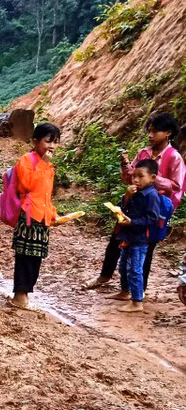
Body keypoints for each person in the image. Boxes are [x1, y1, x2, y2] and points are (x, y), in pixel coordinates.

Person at [85, 112, 185, 291]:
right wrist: (126, 167)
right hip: (133, 204)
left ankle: (140, 290)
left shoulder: (174, 157)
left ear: (168, 133)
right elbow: (130, 179)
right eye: (149, 131)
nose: (150, 135)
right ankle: (105, 276)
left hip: (153, 209)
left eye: (155, 131)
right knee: (116, 239)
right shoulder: (144, 153)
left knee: (146, 248)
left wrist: (152, 179)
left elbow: (177, 186)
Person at [10, 123, 61, 310]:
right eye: (48, 141)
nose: (52, 146)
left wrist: (53, 214)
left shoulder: (49, 166)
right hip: (29, 216)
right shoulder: (26, 161)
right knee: (25, 257)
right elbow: (28, 185)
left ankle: (24, 295)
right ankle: (19, 296)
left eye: (55, 142)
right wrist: (43, 164)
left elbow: (45, 195)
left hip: (42, 218)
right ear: (35, 141)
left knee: (36, 259)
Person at [114, 159, 161, 312]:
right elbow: (122, 207)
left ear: (152, 178)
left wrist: (132, 222)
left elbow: (152, 218)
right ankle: (125, 292)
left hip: (140, 239)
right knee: (123, 267)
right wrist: (126, 197)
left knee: (135, 269)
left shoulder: (151, 196)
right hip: (128, 236)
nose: (135, 180)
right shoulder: (134, 192)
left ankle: (137, 302)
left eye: (140, 176)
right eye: (134, 176)